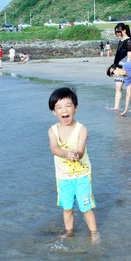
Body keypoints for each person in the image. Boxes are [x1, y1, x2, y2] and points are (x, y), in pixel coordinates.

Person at [48, 86, 99, 243]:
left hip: (82, 175)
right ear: (54, 112)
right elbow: (54, 149)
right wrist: (65, 154)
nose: (64, 110)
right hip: (63, 177)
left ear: (75, 108)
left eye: (68, 105)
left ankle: (94, 234)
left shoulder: (81, 129)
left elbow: (81, 150)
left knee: (86, 208)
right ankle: (69, 233)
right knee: (67, 208)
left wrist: (76, 154)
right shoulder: (52, 130)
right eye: (59, 107)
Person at [112, 23, 131, 111]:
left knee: (129, 87)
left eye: (119, 31)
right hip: (118, 66)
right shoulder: (120, 41)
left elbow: (130, 55)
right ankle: (116, 107)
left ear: (124, 30)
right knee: (118, 87)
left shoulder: (129, 41)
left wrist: (127, 68)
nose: (117, 33)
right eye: (116, 32)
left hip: (125, 66)